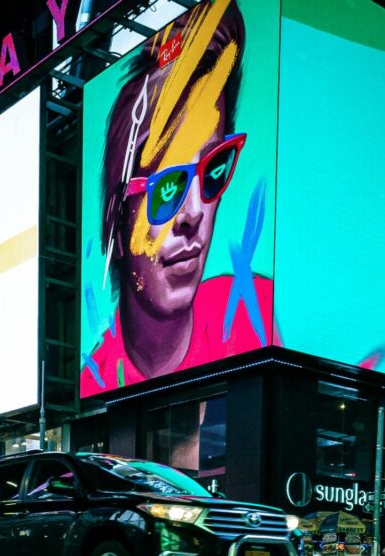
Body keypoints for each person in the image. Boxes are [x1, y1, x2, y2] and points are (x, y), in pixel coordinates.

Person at [81, 0, 276, 395]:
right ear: (117, 223)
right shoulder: (97, 379)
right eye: (166, 187)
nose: (192, 214)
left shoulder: (255, 316)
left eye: (213, 170)